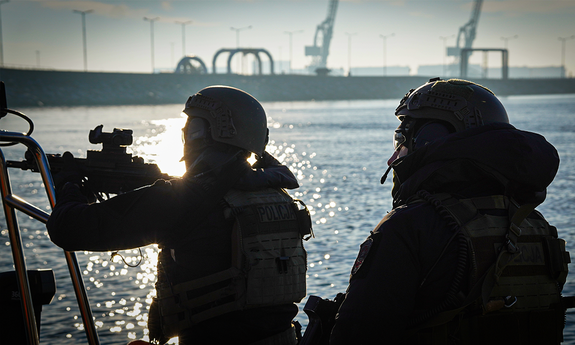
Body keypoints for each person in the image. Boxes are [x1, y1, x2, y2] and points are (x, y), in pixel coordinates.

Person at [47, 86, 312, 345]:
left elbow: (67, 228)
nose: (186, 135)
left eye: (192, 128)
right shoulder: (276, 194)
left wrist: (70, 187)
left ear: (206, 133)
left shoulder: (184, 199)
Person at [328, 78, 571, 344]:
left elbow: (356, 334)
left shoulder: (409, 226)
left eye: (401, 139)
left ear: (430, 139)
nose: (394, 157)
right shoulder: (535, 224)